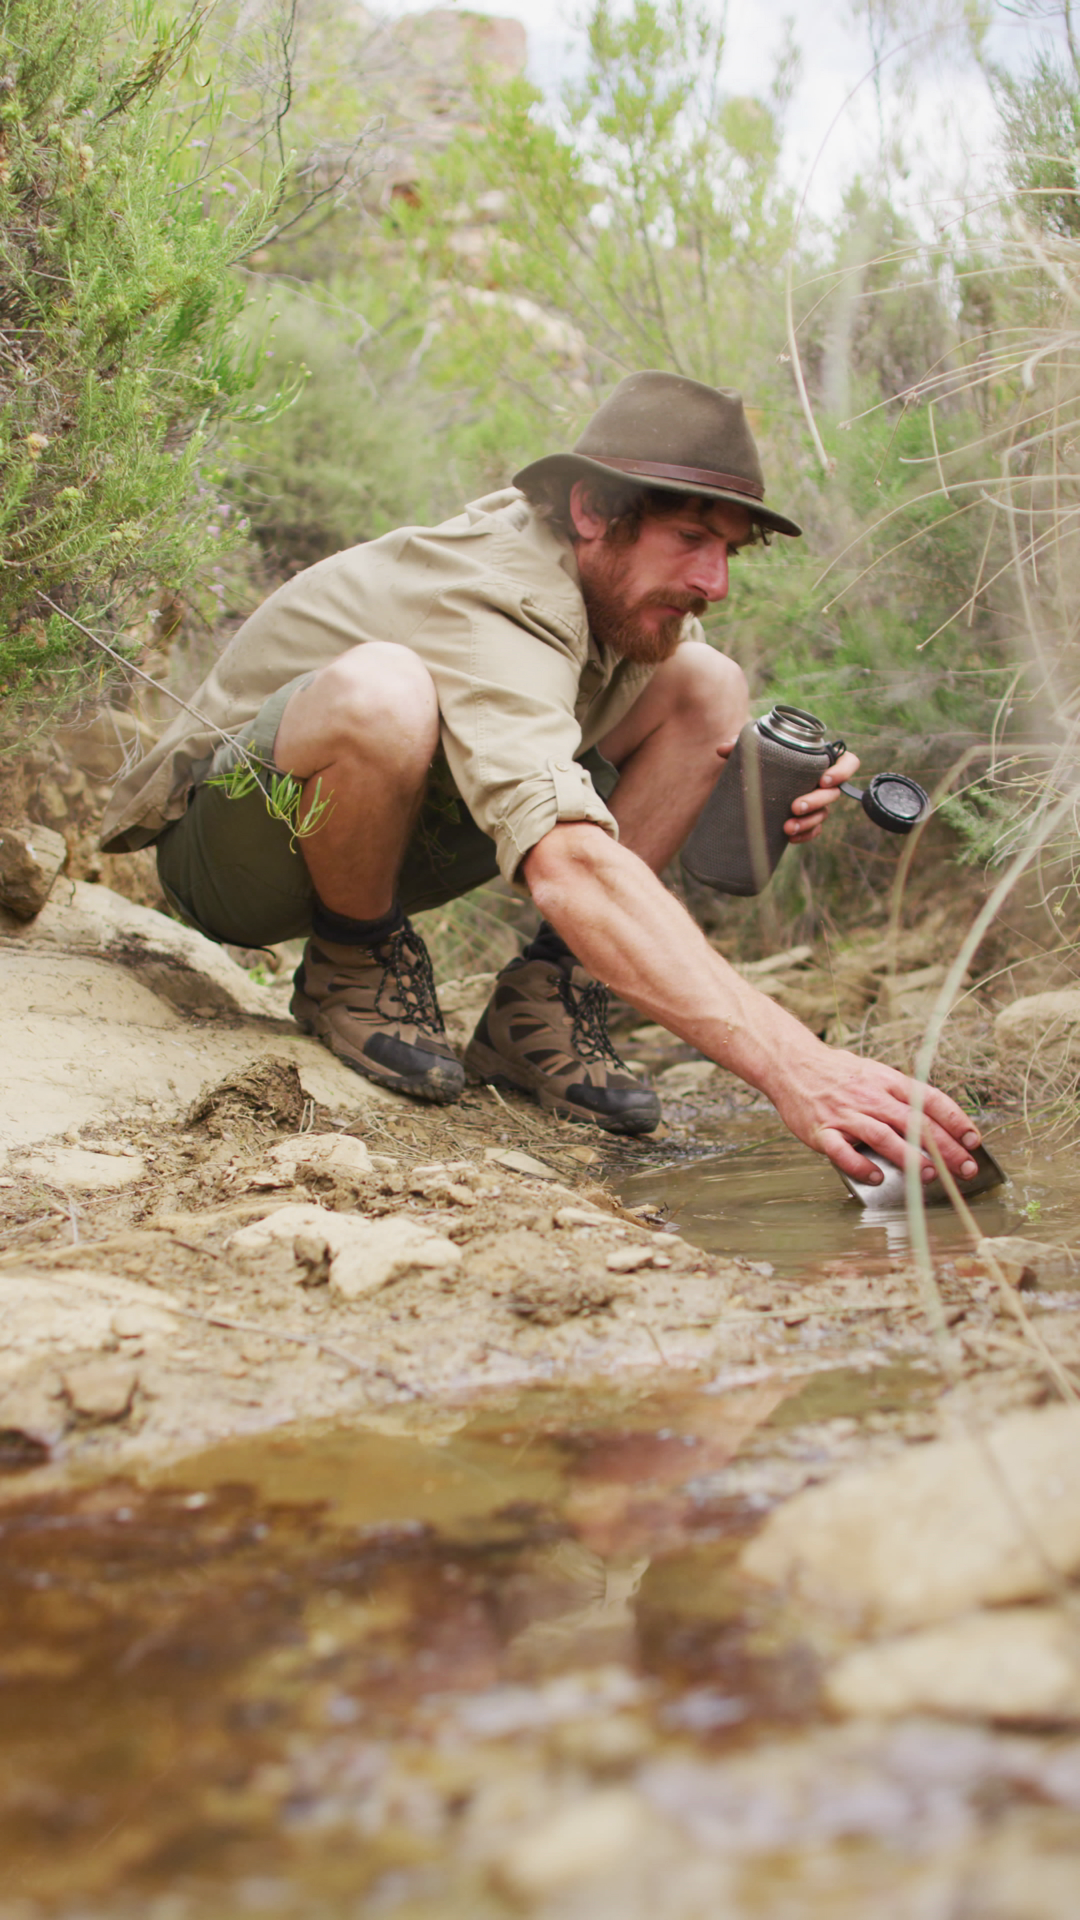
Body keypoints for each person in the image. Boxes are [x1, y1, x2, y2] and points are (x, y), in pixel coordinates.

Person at [101, 371, 982, 1190]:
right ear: (593, 509)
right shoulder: (501, 593)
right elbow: (568, 862)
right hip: (235, 852)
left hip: (395, 828)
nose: (713, 582)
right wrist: (798, 1065)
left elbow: (639, 744)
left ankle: (545, 1007)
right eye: (689, 539)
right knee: (383, 693)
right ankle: (353, 959)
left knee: (707, 684)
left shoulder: (607, 588)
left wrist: (748, 785)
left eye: (728, 552)